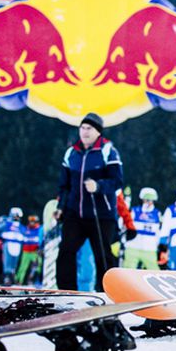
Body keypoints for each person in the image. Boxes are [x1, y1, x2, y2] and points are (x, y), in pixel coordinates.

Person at [55, 113, 124, 292]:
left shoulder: (108, 151)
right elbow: (64, 186)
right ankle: (66, 292)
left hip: (101, 215)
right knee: (65, 253)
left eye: (89, 128)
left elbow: (117, 182)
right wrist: (60, 208)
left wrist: (99, 186)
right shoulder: (71, 153)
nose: (84, 132)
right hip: (74, 214)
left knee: (103, 256)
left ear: (98, 132)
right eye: (82, 128)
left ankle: (107, 294)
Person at [123, 187, 162, 270]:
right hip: (132, 246)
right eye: (146, 199)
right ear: (142, 199)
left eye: (151, 200)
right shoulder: (134, 211)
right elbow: (124, 225)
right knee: (128, 270)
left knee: (154, 271)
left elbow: (159, 232)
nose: (148, 202)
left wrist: (160, 247)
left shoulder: (157, 214)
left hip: (150, 248)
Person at [0, 207, 25, 286]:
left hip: (17, 245)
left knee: (14, 262)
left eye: (18, 216)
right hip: (8, 244)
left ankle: (13, 276)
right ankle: (7, 277)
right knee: (7, 261)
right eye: (16, 216)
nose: (17, 218)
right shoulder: (7, 224)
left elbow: (25, 234)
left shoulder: (21, 227)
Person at [16, 214, 44, 285]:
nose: (31, 223)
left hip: (35, 251)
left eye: (33, 221)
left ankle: (35, 280)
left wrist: (41, 248)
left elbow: (42, 239)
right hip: (26, 251)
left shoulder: (40, 229)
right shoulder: (26, 229)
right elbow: (19, 229)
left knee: (38, 265)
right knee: (23, 266)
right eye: (30, 221)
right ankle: (19, 281)